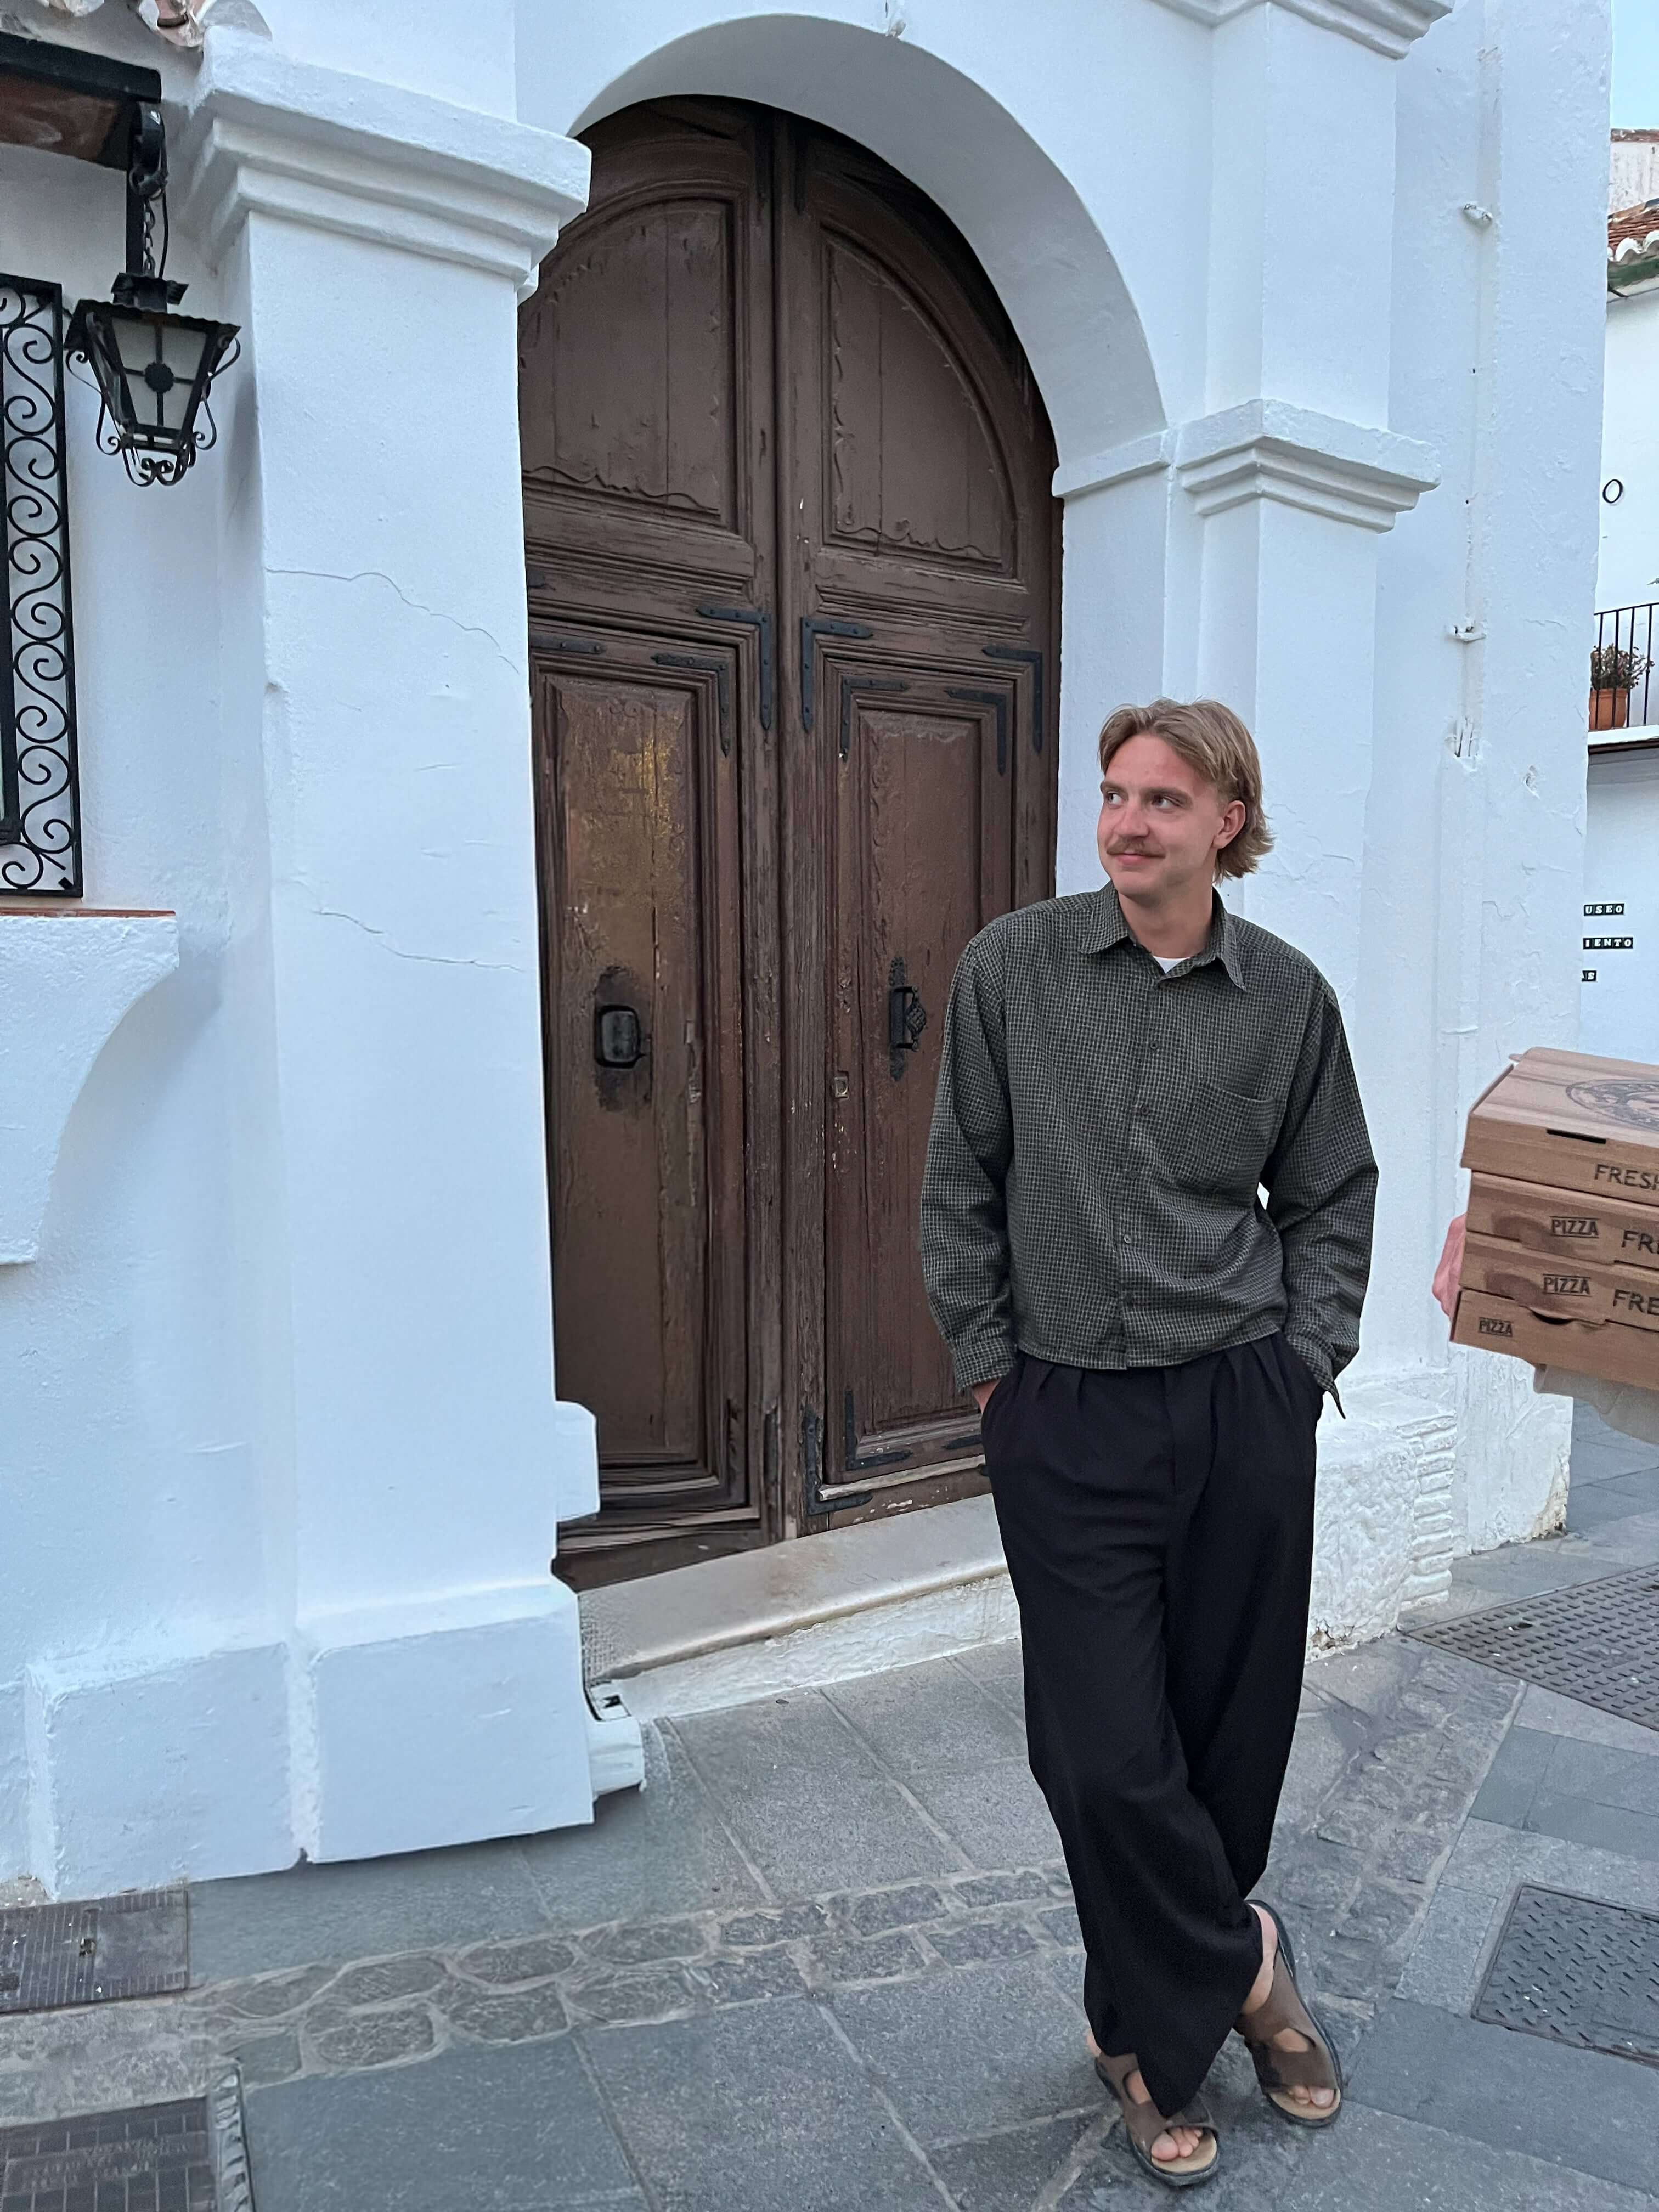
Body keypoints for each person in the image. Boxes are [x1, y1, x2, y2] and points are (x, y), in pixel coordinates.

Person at [919, 698, 1376, 2188]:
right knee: (1105, 1758)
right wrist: (996, 1377)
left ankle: (1141, 2046)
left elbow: (1331, 1193)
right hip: (1068, 1413)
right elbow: (958, 1185)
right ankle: (1248, 1970)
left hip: (1241, 1405)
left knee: (1230, 1743)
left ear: (1228, 822)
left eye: (1162, 800)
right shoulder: (1011, 971)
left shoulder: (1288, 1001)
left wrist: (1305, 1364)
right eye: (1115, 795)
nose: (1124, 821)